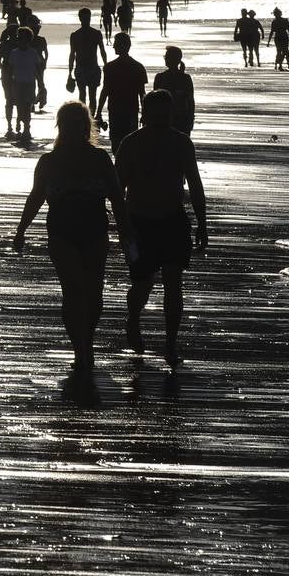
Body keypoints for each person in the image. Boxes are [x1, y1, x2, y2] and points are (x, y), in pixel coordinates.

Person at [14, 102, 130, 397]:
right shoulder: (49, 162)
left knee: (94, 295)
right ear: (61, 127)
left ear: (86, 127)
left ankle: (86, 339)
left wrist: (127, 233)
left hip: (95, 233)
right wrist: (21, 229)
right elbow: (36, 196)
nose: (74, 128)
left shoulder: (100, 159)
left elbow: (117, 197)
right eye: (68, 123)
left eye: (79, 123)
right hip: (62, 234)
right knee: (74, 290)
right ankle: (81, 349)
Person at [116, 90, 208, 370]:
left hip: (172, 220)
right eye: (157, 114)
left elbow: (194, 184)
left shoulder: (181, 143)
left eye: (167, 114)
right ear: (145, 114)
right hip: (139, 222)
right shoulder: (131, 143)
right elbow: (117, 190)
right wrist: (123, 227)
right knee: (142, 285)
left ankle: (170, 342)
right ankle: (133, 319)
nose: (163, 119)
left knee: (173, 281)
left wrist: (202, 223)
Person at [99, 32, 147, 152]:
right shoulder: (138, 67)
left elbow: (105, 91)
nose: (114, 46)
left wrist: (99, 112)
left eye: (116, 44)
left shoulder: (109, 67)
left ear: (123, 46)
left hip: (115, 110)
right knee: (130, 143)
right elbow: (142, 93)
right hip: (131, 110)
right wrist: (145, 112)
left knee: (116, 143)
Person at [67, 7, 104, 118]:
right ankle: (84, 117)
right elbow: (72, 54)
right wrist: (69, 72)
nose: (86, 20)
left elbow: (102, 51)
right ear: (80, 19)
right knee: (83, 94)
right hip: (82, 68)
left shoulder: (96, 33)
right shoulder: (75, 35)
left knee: (91, 95)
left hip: (92, 68)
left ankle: (90, 118)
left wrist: (106, 65)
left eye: (87, 18)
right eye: (84, 18)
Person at [153, 46, 195, 135]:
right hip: (179, 118)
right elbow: (191, 101)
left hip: (166, 118)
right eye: (165, 56)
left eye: (167, 57)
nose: (165, 58)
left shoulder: (160, 77)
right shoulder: (185, 78)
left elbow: (154, 101)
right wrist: (191, 118)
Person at [9, 27, 40, 144]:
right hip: (17, 83)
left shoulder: (33, 53)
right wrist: (9, 85)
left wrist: (41, 84)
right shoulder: (14, 53)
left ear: (28, 39)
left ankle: (26, 128)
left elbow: (37, 69)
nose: (21, 40)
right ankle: (20, 121)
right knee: (20, 107)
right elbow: (10, 70)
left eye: (23, 38)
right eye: (19, 38)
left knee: (27, 107)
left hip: (30, 83)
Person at [0, 23, 19, 138]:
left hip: (6, 75)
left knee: (9, 100)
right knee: (20, 100)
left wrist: (4, 70)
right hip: (19, 74)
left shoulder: (2, 46)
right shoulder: (21, 44)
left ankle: (9, 125)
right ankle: (18, 123)